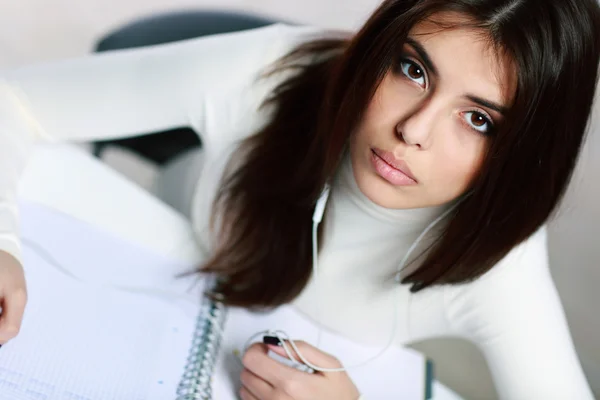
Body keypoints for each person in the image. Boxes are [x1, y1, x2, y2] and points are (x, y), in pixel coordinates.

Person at [0, 0, 599, 398]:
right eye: (412, 70)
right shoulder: (269, 72)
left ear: (525, 153)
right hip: (141, 268)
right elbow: (13, 101)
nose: (415, 130)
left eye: (476, 118)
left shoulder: (502, 263)